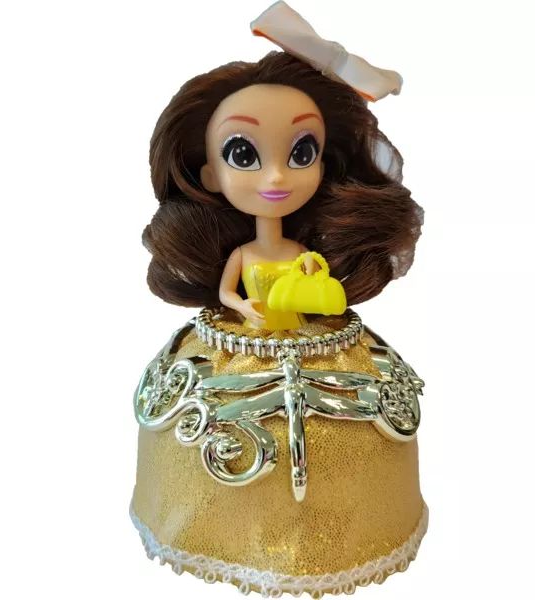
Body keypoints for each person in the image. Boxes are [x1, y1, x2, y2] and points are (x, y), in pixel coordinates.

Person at [132, 2, 427, 596]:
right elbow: (227, 290)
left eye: (301, 153)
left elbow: (315, 278)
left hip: (314, 339)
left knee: (350, 434)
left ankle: (349, 531)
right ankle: (214, 529)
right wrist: (240, 308)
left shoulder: (298, 249)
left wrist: (316, 279)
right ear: (210, 173)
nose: (276, 177)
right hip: (240, 344)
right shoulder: (242, 256)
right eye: (244, 154)